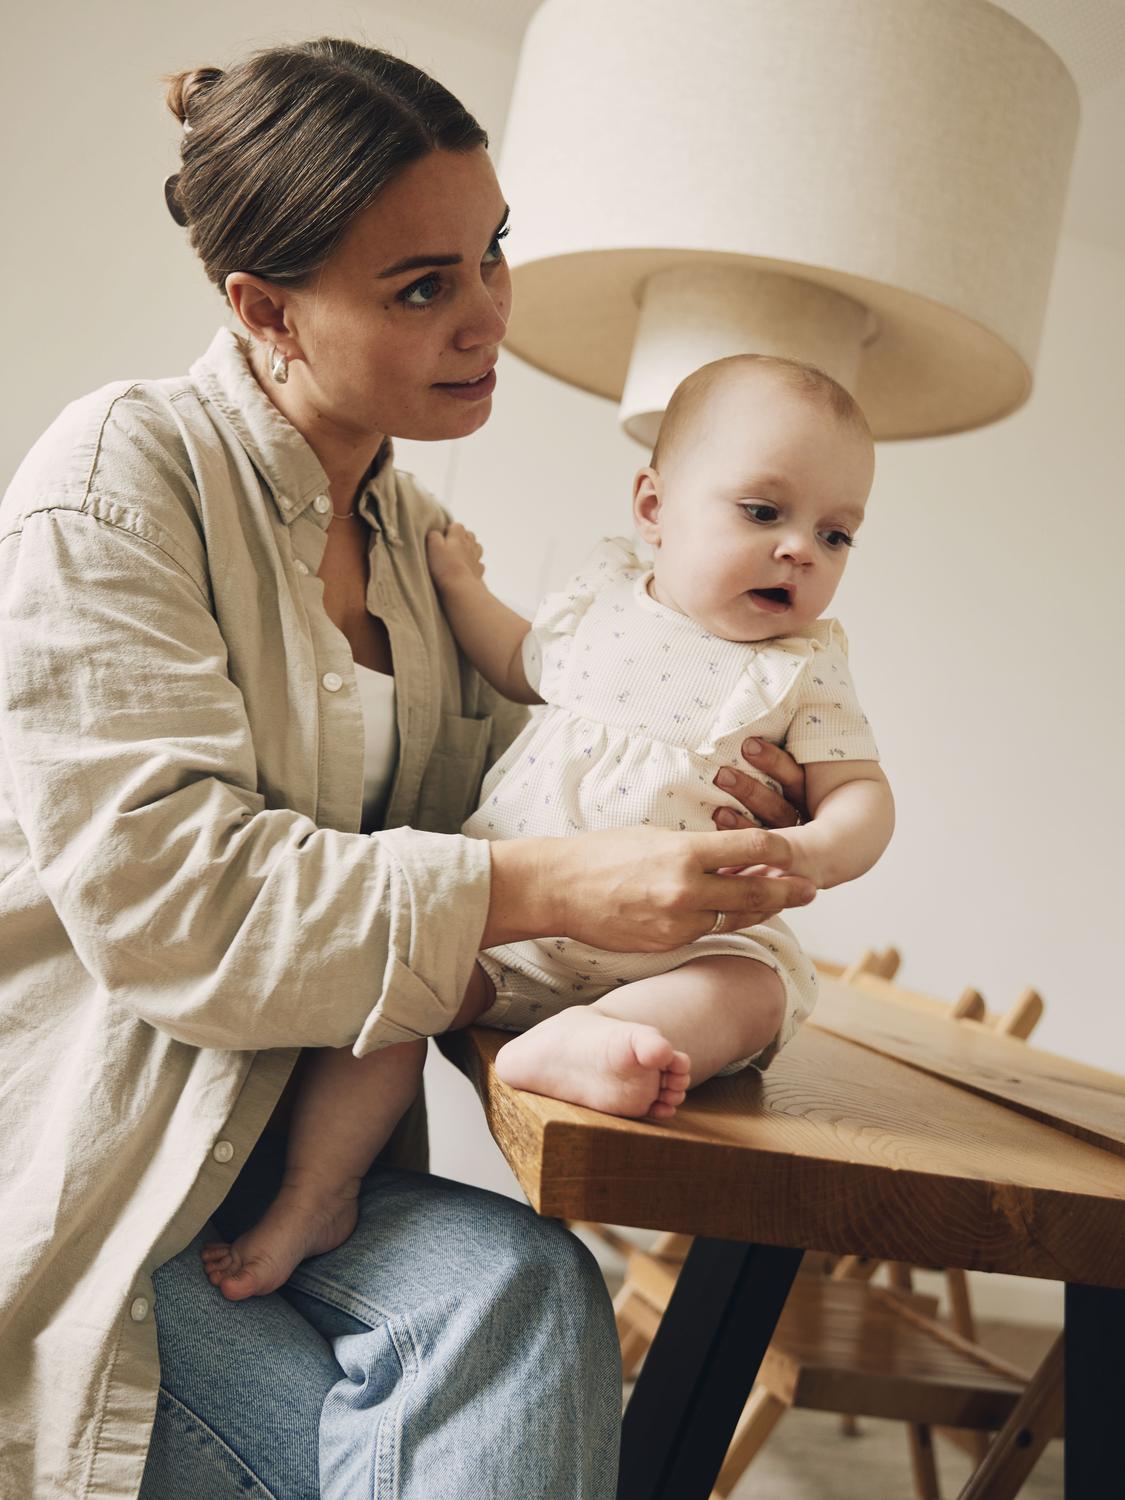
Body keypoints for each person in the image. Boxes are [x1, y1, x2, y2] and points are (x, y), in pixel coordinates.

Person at [0, 37, 817, 1500]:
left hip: (305, 1159)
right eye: (422, 287)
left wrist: (695, 791)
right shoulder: (117, 478)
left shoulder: (407, 531)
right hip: (102, 1177)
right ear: (266, 311)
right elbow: (169, 900)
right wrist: (559, 877)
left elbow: (505, 795)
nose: (489, 315)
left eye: (490, 253)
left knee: (529, 1289)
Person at [201, 352, 893, 1310]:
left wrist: (813, 847)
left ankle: (591, 1042)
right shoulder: (606, 601)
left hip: (680, 951)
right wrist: (455, 583)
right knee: (389, 985)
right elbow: (519, 659)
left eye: (836, 533)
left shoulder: (803, 670)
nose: (799, 551)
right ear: (654, 509)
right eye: (762, 512)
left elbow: (862, 792)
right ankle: (318, 1194)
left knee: (754, 985)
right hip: (510, 930)